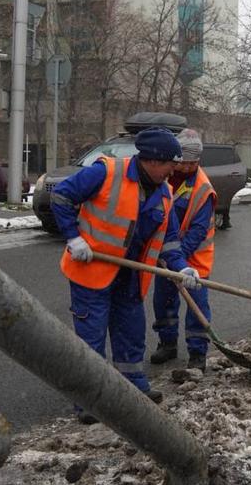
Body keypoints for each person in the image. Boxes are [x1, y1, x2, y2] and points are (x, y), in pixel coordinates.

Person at [51, 127, 200, 420]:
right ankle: (89, 400)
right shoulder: (105, 173)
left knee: (131, 333)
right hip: (92, 270)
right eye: (171, 163)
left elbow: (169, 241)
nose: (175, 170)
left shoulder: (165, 193)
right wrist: (73, 237)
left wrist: (182, 265)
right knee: (90, 340)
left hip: (130, 275)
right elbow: (61, 197)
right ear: (153, 161)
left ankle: (132, 386)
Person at [149, 129, 216, 371]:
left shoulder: (203, 189)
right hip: (166, 255)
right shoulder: (164, 178)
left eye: (192, 163)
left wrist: (180, 260)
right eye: (183, 162)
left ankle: (198, 353)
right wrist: (169, 256)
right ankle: (167, 344)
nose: (186, 167)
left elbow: (198, 231)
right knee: (163, 301)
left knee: (197, 305)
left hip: (195, 258)